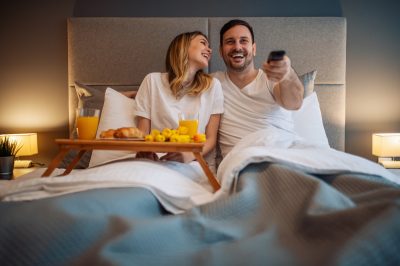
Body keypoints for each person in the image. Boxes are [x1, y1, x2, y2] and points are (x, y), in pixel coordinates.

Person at [213, 19, 304, 157]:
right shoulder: (213, 83)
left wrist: (288, 74)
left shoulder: (271, 78)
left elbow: (294, 103)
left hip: (284, 153)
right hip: (242, 161)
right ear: (221, 51)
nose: (237, 47)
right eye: (230, 42)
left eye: (244, 41)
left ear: (253, 49)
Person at [134, 31, 224, 163]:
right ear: (184, 46)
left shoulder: (213, 86)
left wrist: (189, 155)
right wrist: (144, 151)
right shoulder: (152, 81)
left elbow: (211, 139)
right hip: (156, 161)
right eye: (203, 43)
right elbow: (142, 134)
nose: (209, 50)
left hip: (193, 162)